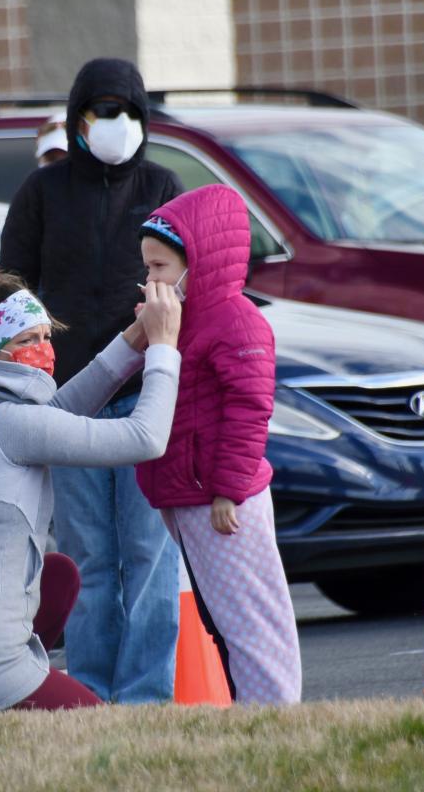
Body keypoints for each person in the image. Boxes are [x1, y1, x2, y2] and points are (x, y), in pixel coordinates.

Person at [0, 272, 182, 711]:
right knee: (101, 733)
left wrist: (136, 338)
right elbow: (145, 438)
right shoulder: (13, 424)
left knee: (60, 574)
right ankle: (11, 694)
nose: (46, 350)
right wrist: (163, 349)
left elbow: (57, 413)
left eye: (47, 336)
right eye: (30, 338)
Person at [0, 57, 184, 704]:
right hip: (69, 406)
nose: (118, 124)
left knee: (150, 558)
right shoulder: (41, 193)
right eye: (104, 110)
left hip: (144, 399)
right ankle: (94, 694)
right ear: (77, 118)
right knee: (89, 565)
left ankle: (146, 697)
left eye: (130, 111)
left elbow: (196, 276)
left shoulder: (163, 186)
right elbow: (11, 288)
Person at [135, 184, 302, 704]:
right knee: (220, 618)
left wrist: (228, 490)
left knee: (249, 618)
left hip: (220, 502)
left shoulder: (235, 322)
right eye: (148, 268)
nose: (150, 280)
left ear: (197, 263)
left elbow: (249, 412)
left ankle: (273, 714)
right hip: (189, 497)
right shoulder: (178, 322)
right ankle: (248, 711)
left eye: (160, 267)